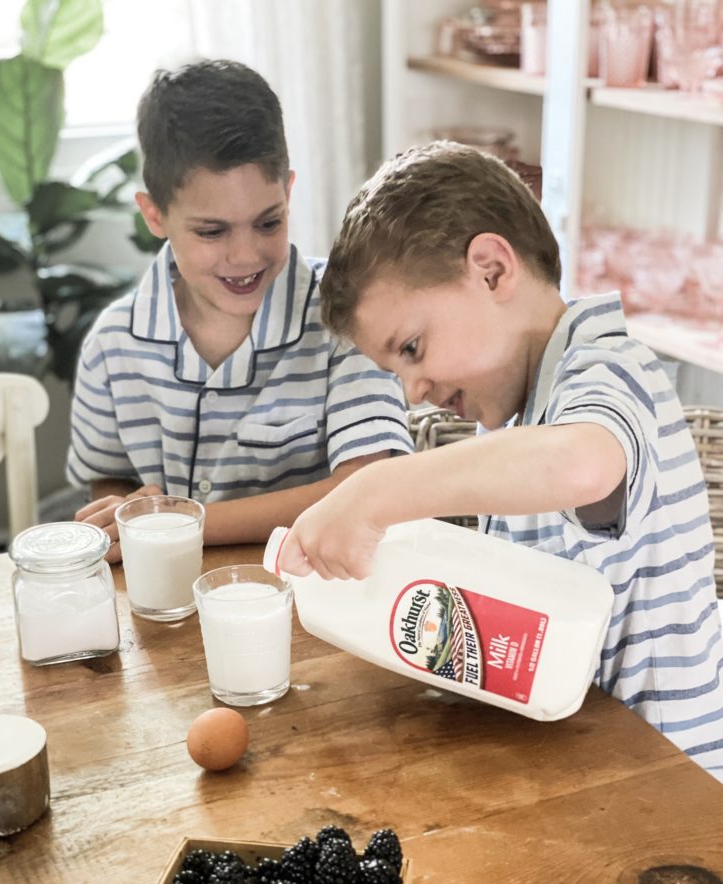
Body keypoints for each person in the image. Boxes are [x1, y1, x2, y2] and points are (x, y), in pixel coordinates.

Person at [278, 140, 723, 781]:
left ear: (491, 271)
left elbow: (580, 465)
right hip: (587, 769)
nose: (413, 391)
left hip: (668, 791)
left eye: (412, 347)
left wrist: (373, 492)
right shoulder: (526, 414)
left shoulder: (607, 370)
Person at [66, 59, 412, 562]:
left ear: (289, 192)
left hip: (313, 607)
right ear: (154, 215)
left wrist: (182, 522)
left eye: (268, 222)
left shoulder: (348, 317)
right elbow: (109, 480)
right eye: (212, 231)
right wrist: (125, 512)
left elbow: (367, 485)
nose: (245, 256)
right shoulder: (112, 345)